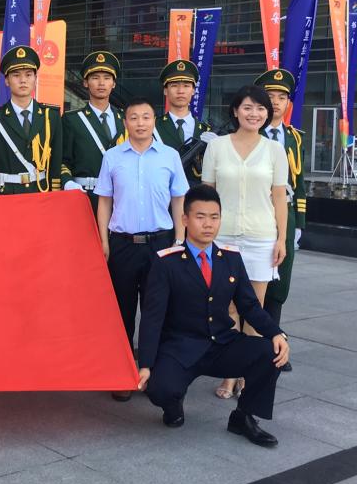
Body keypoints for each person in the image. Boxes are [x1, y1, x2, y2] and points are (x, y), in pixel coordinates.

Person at [137, 184, 290, 446]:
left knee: (270, 353)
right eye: (200, 217)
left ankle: (243, 417)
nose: (208, 224)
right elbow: (152, 317)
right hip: (181, 348)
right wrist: (146, 364)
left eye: (214, 217)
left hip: (221, 344)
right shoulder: (166, 262)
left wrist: (276, 333)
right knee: (160, 388)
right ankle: (173, 406)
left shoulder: (230, 258)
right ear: (185, 219)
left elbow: (249, 306)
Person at [95, 97, 188, 401]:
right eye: (134, 118)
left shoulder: (169, 156)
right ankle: (122, 374)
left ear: (154, 121)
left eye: (146, 117)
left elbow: (179, 200)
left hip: (160, 244)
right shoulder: (112, 157)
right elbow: (105, 201)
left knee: (156, 310)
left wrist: (180, 240)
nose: (140, 123)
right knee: (121, 311)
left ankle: (154, 373)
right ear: (125, 123)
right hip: (122, 244)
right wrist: (104, 240)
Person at [201, 85, 288, 399]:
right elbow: (207, 194)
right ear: (236, 111)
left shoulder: (275, 150)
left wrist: (282, 238)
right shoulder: (217, 147)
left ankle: (247, 374)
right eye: (248, 107)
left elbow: (279, 198)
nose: (255, 114)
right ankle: (230, 373)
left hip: (260, 238)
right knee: (227, 310)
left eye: (261, 108)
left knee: (255, 310)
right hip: (222, 238)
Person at [254, 68, 307, 372]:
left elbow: (300, 183)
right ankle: (254, 344)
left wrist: (299, 223)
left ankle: (273, 344)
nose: (275, 102)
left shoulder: (295, 138)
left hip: (285, 215)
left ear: (289, 103)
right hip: (257, 212)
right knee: (254, 281)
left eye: (281, 97)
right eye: (269, 96)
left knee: (279, 283)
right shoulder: (250, 135)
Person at [0, 46, 62, 195]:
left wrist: (56, 196)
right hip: (6, 195)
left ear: (35, 78)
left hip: (40, 194)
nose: (23, 80)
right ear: (6, 80)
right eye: (16, 75)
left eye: (28, 75)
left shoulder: (51, 116)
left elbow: (56, 163)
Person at [61, 51, 125, 211]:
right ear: (85, 83)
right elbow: (62, 160)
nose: (101, 83)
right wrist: (67, 182)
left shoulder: (125, 119)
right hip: (85, 196)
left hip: (120, 197)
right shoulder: (72, 119)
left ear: (114, 84)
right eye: (95, 78)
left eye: (107, 78)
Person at [154, 59, 213, 184]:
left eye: (186, 86)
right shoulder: (153, 127)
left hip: (197, 193)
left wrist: (219, 147)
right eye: (174, 85)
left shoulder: (206, 131)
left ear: (193, 91)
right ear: (165, 91)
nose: (180, 91)